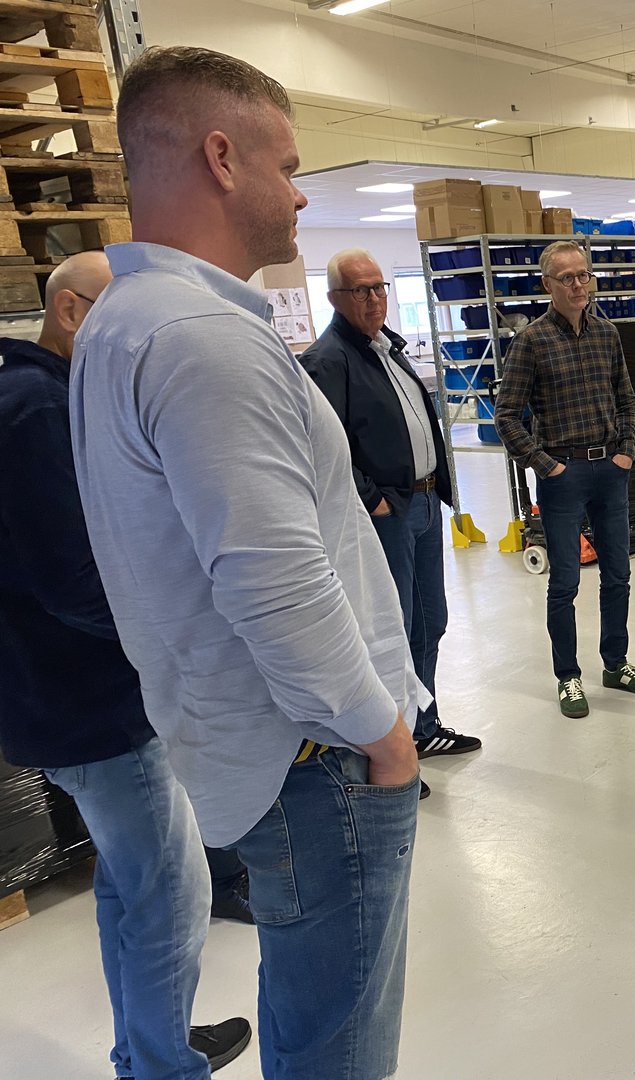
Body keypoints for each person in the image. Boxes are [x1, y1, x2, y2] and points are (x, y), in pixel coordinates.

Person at [70, 47, 422, 1078]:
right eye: (289, 165)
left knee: (308, 1015)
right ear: (221, 157)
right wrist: (383, 738)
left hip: (268, 755)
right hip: (320, 759)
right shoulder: (200, 339)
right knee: (338, 1047)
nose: (301, 193)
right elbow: (276, 582)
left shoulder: (123, 324)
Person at [0, 251, 251, 1079]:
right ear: (71, 312)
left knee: (129, 885)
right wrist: (170, 634)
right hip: (93, 706)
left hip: (63, 697)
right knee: (172, 894)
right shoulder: (35, 409)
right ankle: (162, 1066)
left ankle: (148, 1046)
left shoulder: (42, 396)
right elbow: (71, 577)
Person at [302, 248, 482, 781]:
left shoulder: (389, 348)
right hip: (386, 514)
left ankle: (422, 728)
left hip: (422, 503)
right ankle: (392, 750)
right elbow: (321, 445)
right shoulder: (328, 360)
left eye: (379, 287)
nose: (374, 299)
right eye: (361, 290)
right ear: (335, 298)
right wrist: (370, 497)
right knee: (390, 631)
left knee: (430, 620)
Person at [494, 239, 635, 718]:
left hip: (609, 469)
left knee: (618, 574)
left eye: (583, 275)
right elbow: (507, 416)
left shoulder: (607, 334)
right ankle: (568, 677)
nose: (578, 285)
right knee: (565, 581)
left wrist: (627, 451)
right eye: (566, 278)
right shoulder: (531, 342)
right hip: (562, 474)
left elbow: (627, 400)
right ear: (547, 285)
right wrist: (546, 465)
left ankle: (616, 664)